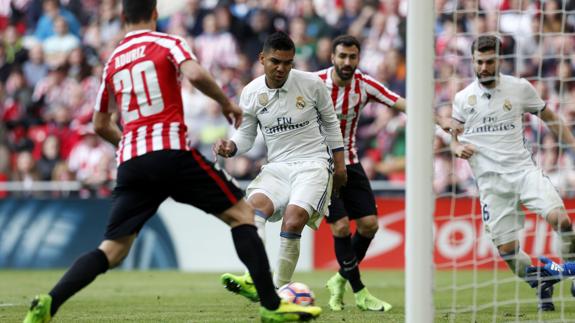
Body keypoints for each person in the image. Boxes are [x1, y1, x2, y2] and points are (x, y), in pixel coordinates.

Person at [23, 1, 321, 322]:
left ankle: (49, 303)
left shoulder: (113, 62)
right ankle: (272, 306)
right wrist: (225, 103)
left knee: (113, 249)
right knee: (243, 214)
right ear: (154, 14)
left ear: (123, 17)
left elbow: (99, 123)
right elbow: (193, 72)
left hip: (131, 162)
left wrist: (129, 142)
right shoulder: (168, 42)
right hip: (170, 152)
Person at [213, 31, 347, 301]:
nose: (282, 68)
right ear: (262, 59)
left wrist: (340, 165)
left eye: (288, 63)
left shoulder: (311, 84)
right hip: (277, 167)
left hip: (313, 164)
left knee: (294, 219)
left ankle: (278, 291)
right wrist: (232, 147)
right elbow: (247, 135)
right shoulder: (251, 93)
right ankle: (257, 278)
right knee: (252, 211)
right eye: (275, 61)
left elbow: (331, 123)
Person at [450, 35, 575, 312]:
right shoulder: (462, 99)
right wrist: (455, 147)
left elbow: (551, 119)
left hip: (524, 172)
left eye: (489, 61)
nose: (483, 67)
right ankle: (541, 279)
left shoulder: (520, 88)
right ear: (472, 61)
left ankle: (574, 272)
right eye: (479, 62)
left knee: (562, 221)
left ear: (500, 60)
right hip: (492, 185)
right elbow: (453, 135)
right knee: (508, 253)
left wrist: (572, 146)